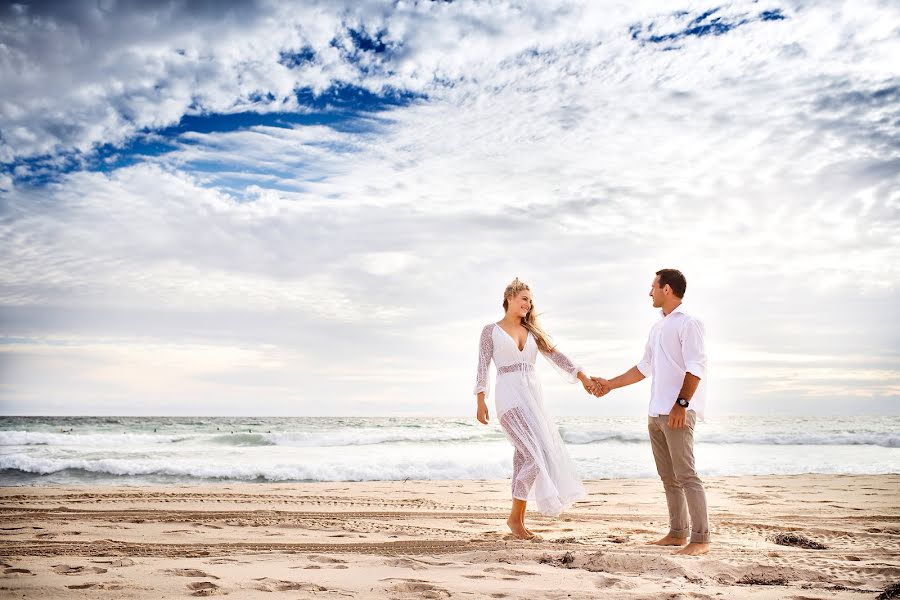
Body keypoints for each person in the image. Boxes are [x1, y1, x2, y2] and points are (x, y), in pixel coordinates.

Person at [592, 268, 710, 555]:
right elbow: (643, 368)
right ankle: (677, 533)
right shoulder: (658, 327)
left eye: (653, 287)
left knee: (687, 475)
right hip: (656, 412)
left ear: (667, 289)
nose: (650, 292)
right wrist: (610, 385)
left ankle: (701, 539)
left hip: (677, 411)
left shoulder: (689, 323)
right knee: (668, 477)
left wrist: (681, 404)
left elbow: (697, 366)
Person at [473, 277, 595, 539]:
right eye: (524, 298)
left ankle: (518, 520)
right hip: (508, 399)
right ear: (509, 298)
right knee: (534, 457)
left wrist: (581, 375)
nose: (528, 304)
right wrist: (480, 398)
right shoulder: (490, 331)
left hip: (532, 399)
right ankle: (514, 519)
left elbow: (556, 355)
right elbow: (482, 366)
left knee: (524, 457)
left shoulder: (532, 332)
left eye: (530, 300)